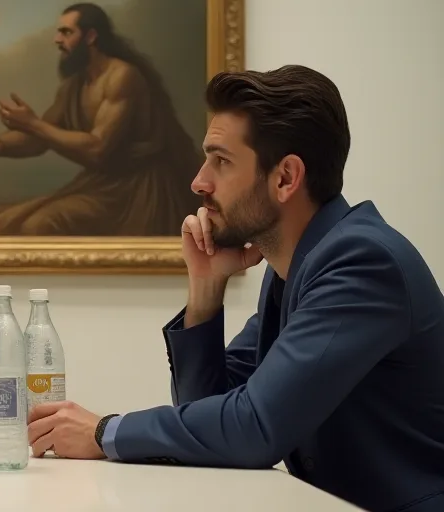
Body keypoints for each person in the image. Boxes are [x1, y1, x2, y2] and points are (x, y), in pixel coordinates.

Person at [26, 65, 444, 512]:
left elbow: (254, 427)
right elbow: (213, 418)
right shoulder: (295, 269)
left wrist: (104, 432)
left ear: (285, 178)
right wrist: (206, 289)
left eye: (221, 161)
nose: (199, 182)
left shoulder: (360, 262)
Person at [0, 3, 201, 236]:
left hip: (135, 190)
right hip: (101, 184)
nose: (57, 39)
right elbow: (39, 139)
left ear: (90, 37)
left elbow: (98, 149)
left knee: (39, 226)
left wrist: (32, 123)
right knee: (3, 224)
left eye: (66, 32)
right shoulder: (74, 86)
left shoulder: (121, 76)